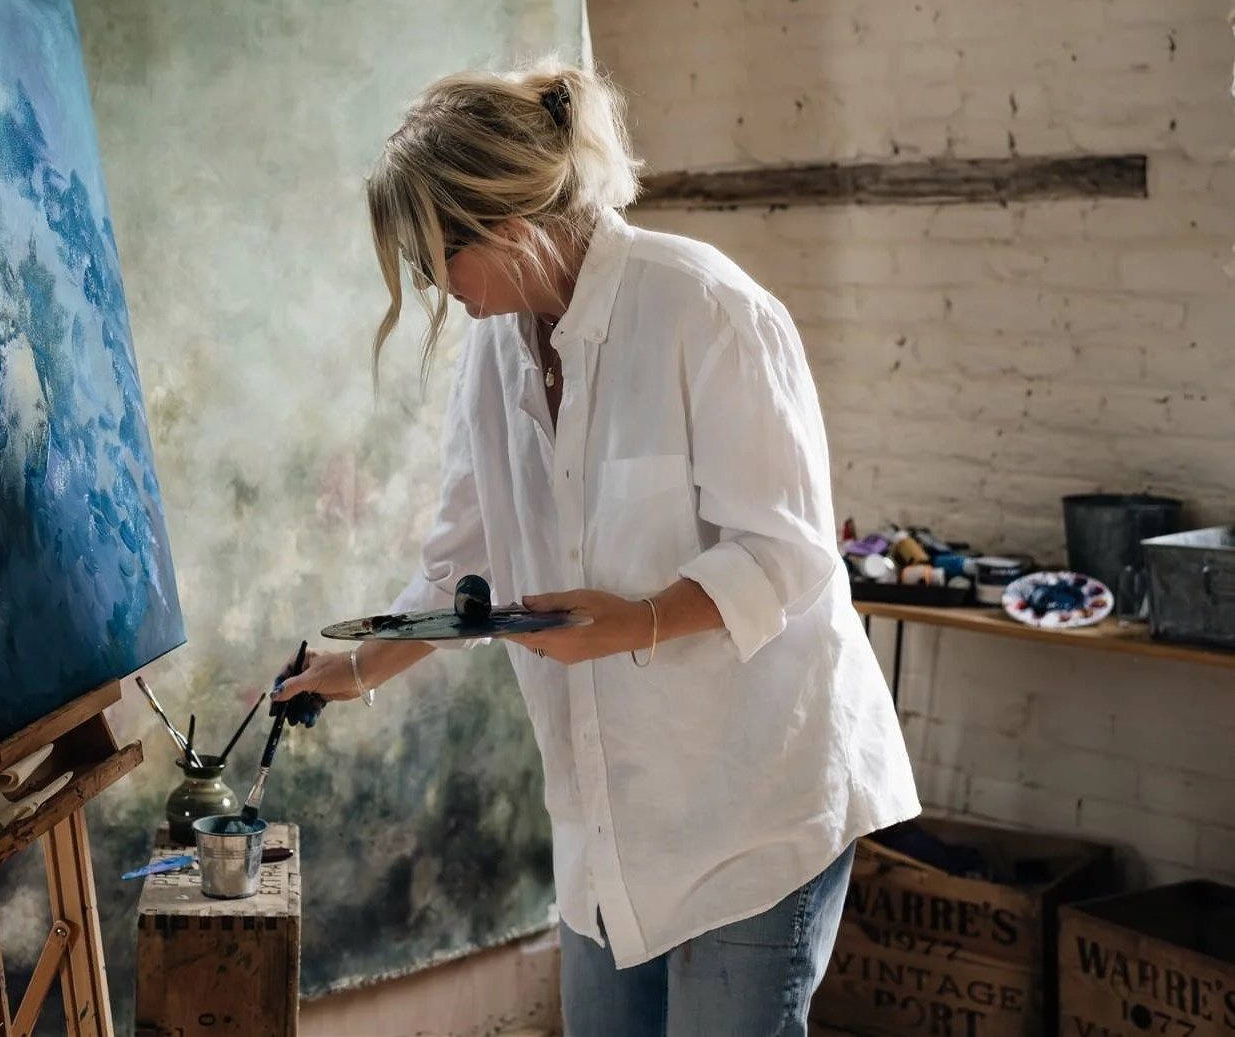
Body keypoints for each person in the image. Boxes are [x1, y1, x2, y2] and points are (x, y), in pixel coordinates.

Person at [275, 63, 919, 1036]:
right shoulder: (495, 350)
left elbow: (787, 557)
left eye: (431, 260)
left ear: (504, 225)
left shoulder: (704, 309)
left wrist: (640, 621)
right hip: (612, 826)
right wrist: (357, 665)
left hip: (751, 805)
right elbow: (456, 565)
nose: (433, 291)